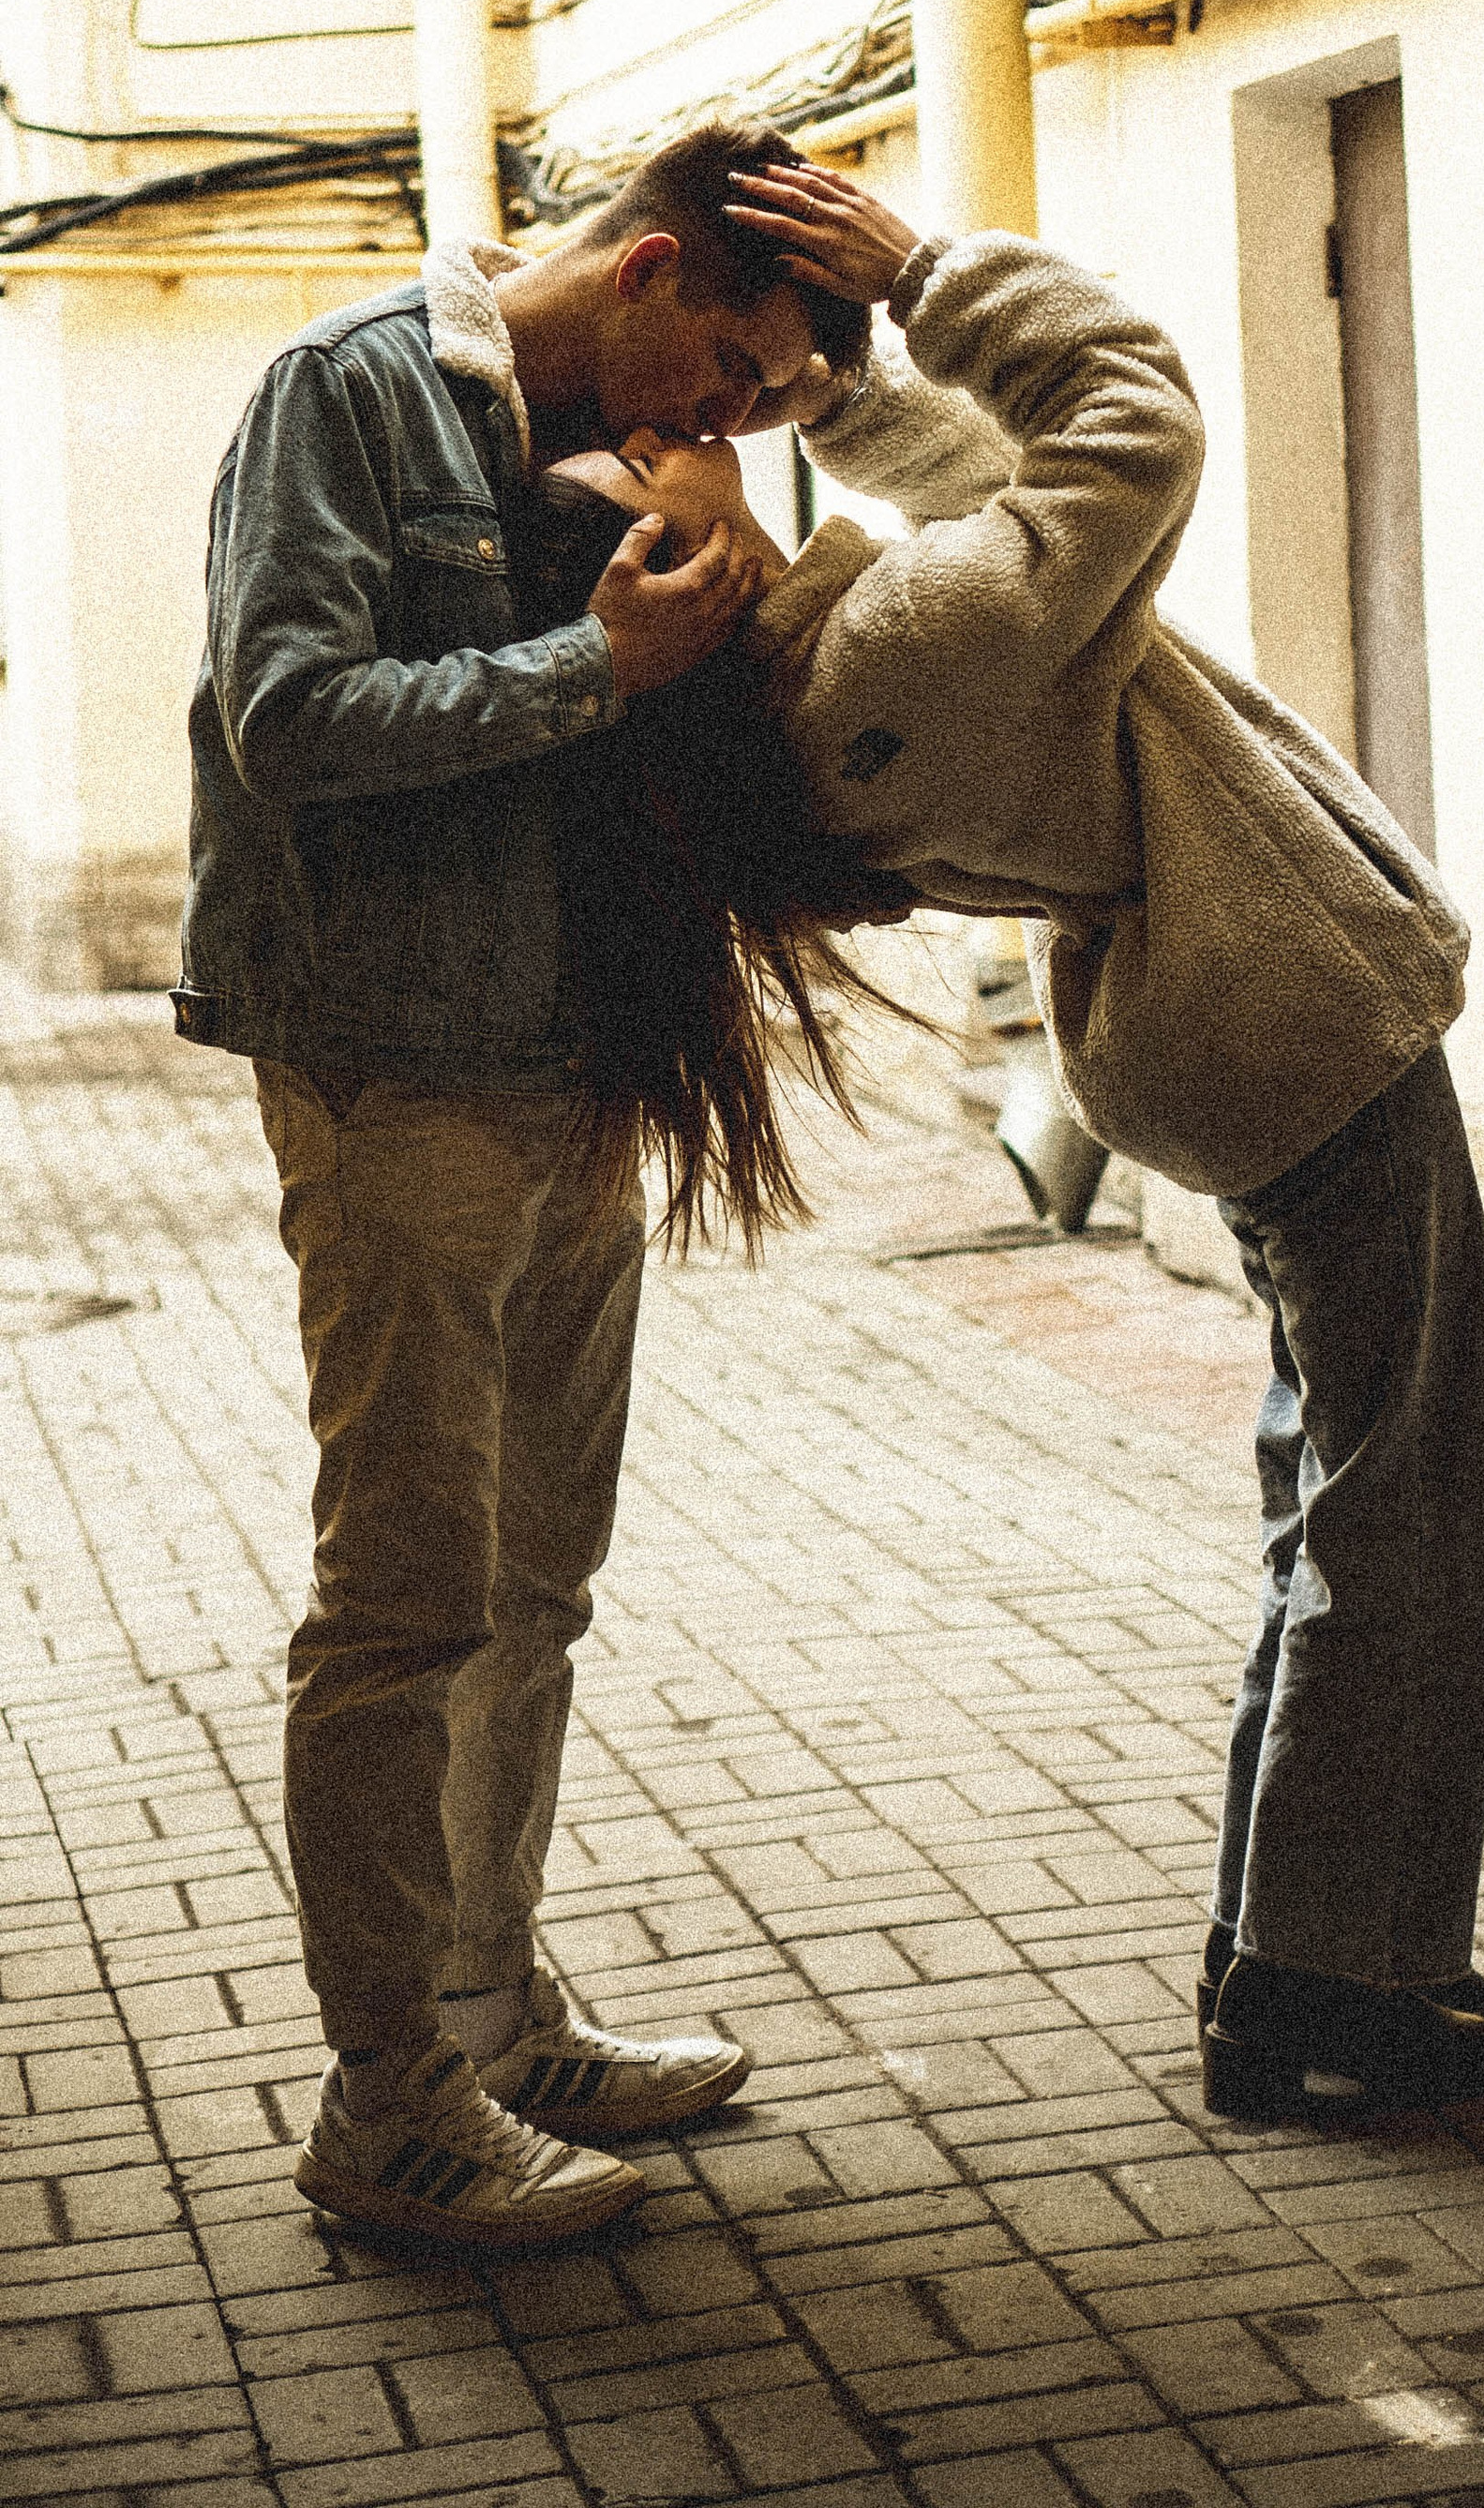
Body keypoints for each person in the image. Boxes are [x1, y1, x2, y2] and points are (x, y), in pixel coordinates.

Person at [615, 158, 1484, 2121]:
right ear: (661, 583)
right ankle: (1329, 1993)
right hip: (1289, 1025)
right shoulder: (884, 660)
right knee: (1410, 1513)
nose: (695, 434)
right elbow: (1128, 427)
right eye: (660, 459)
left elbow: (963, 503)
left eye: (725, 400)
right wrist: (931, 277)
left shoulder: (820, 685)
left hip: (1233, 1030)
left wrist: (837, 395)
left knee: (1346, 1489)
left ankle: (1295, 1946)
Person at [174, 118, 869, 2253]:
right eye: (735, 374)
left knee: (536, 1582)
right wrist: (600, 665)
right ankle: (386, 2104)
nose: (725, 426)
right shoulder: (352, 389)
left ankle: (490, 2006)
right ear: (649, 269)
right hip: (398, 1068)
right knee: (403, 1602)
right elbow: (288, 720)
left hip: (575, 1074)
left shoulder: (616, 462)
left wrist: (721, 588)